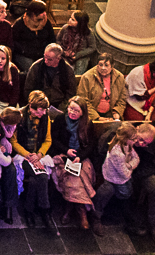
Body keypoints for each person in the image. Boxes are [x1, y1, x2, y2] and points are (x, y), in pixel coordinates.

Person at [50, 96, 97, 228]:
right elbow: (54, 139)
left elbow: (91, 145)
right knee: (73, 177)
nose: (72, 112)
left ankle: (69, 209)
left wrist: (80, 157)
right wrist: (67, 150)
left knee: (81, 173)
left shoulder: (87, 124)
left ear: (83, 112)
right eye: (70, 108)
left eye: (76, 110)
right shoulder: (61, 119)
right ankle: (82, 212)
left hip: (80, 156)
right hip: (63, 154)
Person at [11, 90, 55, 229]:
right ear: (31, 107)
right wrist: (28, 155)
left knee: (38, 178)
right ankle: (44, 210)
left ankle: (29, 210)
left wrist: (39, 155)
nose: (42, 113)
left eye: (44, 110)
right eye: (40, 110)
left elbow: (48, 140)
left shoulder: (45, 118)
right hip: (22, 155)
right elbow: (13, 141)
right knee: (41, 176)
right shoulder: (19, 117)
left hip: (37, 155)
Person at [90, 123, 139, 236]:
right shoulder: (117, 152)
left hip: (120, 176)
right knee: (107, 190)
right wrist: (130, 166)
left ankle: (122, 217)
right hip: (110, 177)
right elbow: (125, 174)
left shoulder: (128, 145)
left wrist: (129, 165)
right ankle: (96, 216)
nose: (136, 141)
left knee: (128, 191)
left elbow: (136, 158)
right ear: (125, 138)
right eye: (134, 139)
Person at [76, 53, 127, 121]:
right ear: (97, 65)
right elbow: (83, 100)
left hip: (111, 113)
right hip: (91, 115)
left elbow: (122, 98)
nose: (103, 68)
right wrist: (97, 117)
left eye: (106, 65)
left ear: (112, 66)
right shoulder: (87, 77)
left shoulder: (119, 77)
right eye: (100, 65)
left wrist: (117, 112)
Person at [11, 0, 56, 72]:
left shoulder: (46, 22)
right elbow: (14, 42)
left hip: (42, 54)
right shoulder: (20, 24)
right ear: (33, 14)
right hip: (25, 55)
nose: (44, 15)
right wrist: (24, 51)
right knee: (33, 70)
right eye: (41, 13)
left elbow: (51, 39)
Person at [0, 45, 20, 113]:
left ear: (7, 59)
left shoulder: (13, 70)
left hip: (10, 103)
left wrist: (11, 107)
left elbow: (15, 91)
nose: (0, 61)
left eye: (3, 58)